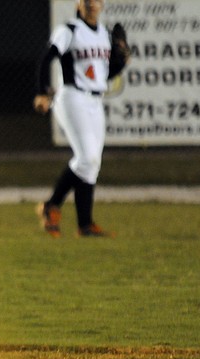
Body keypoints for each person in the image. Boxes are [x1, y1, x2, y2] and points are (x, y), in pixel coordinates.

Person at [33, 0, 130, 238]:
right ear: (79, 4)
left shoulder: (105, 35)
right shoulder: (70, 29)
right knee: (86, 157)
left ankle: (84, 225)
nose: (91, 4)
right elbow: (47, 58)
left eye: (96, 1)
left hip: (95, 100)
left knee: (91, 163)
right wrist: (42, 91)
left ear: (102, 5)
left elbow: (104, 73)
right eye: (86, 0)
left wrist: (121, 62)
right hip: (72, 97)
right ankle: (52, 206)